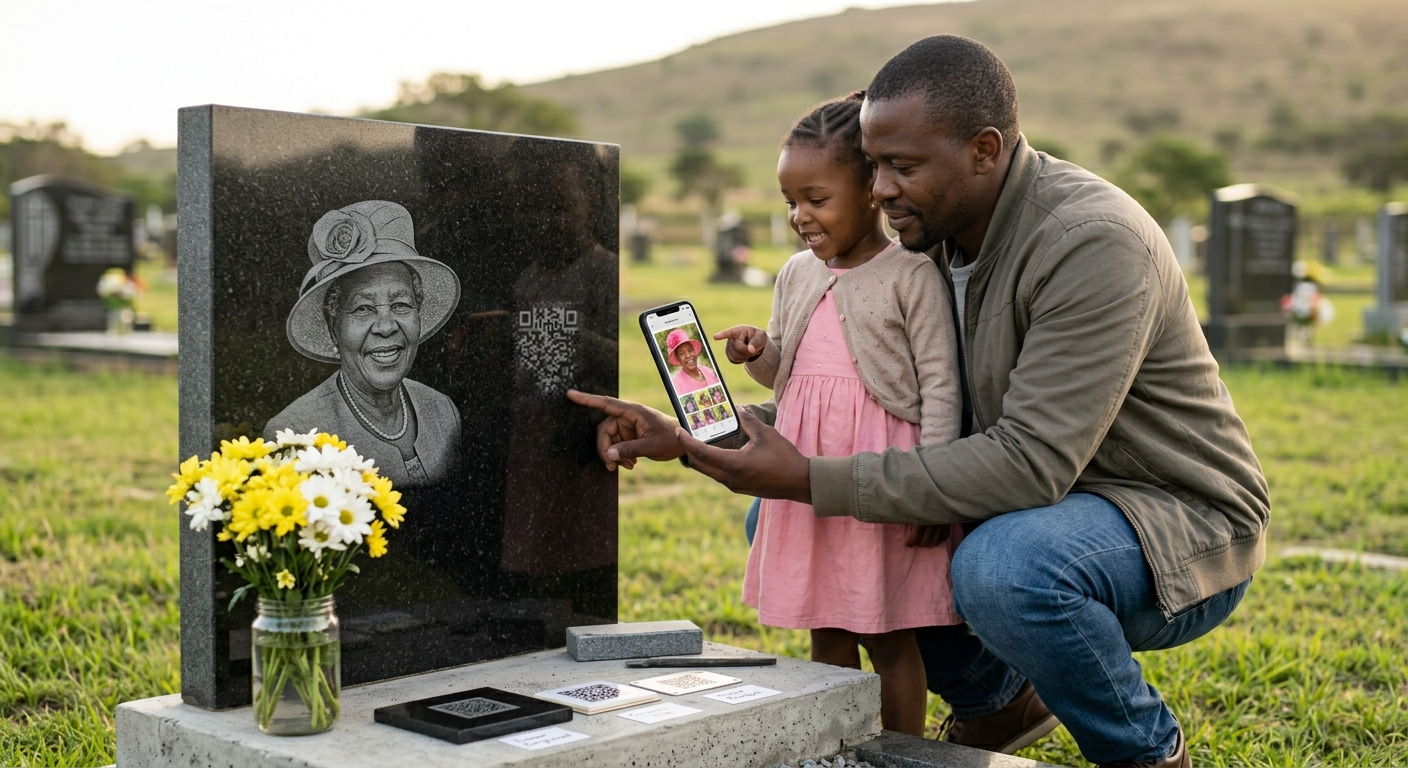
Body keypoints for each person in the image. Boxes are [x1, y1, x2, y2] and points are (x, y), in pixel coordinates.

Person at [569, 35, 1268, 768]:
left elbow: (1030, 466)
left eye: (902, 167)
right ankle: (999, 707)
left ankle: (1146, 754)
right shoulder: (923, 240)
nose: (877, 191)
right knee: (795, 519)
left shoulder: (1090, 242)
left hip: (1166, 521)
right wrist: (690, 435)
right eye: (873, 166)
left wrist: (811, 479)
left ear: (984, 150)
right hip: (1027, 499)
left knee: (1001, 567)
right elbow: (867, 409)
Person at [707, 92, 964, 736]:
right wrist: (759, 354)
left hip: (883, 478)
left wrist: (931, 491)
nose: (799, 216)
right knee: (826, 627)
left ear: (872, 191)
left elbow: (941, 386)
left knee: (889, 634)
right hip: (808, 477)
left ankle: (902, 749)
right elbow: (788, 372)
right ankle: (840, 745)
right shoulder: (796, 273)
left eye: (815, 200)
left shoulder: (910, 274)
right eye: (790, 201)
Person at [266, 200, 463, 489]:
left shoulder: (443, 410)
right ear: (335, 329)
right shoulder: (295, 435)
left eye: (401, 304)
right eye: (362, 309)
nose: (386, 327)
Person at [664, 328, 720, 395]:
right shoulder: (677, 384)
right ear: (678, 358)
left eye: (690, 350)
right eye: (682, 353)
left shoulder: (708, 371)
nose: (688, 356)